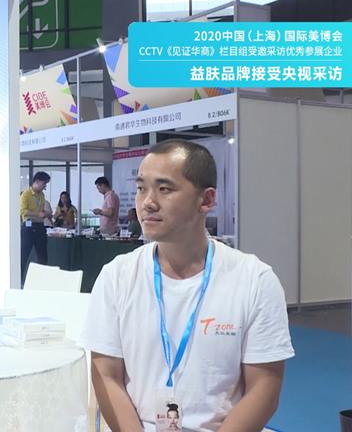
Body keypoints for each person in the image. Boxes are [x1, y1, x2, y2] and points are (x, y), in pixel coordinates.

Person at [82, 139, 293, 431]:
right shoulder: (117, 276)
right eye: (142, 188)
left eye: (164, 189)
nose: (147, 202)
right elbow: (105, 374)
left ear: (206, 200)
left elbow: (264, 387)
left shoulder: (254, 280)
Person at [19, 171, 50, 285]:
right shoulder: (26, 194)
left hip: (39, 226)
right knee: (24, 255)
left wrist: (45, 213)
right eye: (44, 183)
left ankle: (41, 281)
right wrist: (37, 214)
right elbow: (23, 211)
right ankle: (19, 280)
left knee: (43, 256)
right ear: (37, 181)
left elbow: (40, 210)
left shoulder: (41, 195)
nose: (45, 186)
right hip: (28, 226)